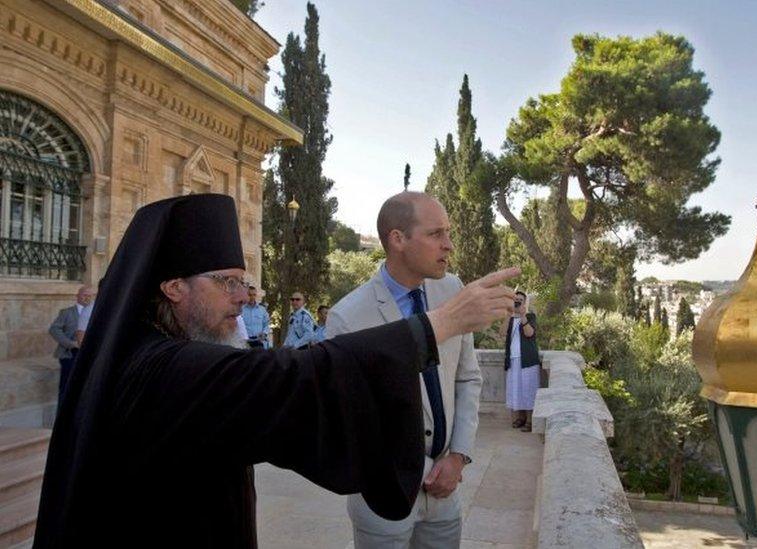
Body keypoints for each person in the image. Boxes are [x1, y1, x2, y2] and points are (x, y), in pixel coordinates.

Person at [33, 193, 518, 548]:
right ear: (175, 287)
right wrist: (444, 322)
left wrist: (456, 453)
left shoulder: (159, 350)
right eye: (229, 282)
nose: (244, 297)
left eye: (244, 283)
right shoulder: (162, 368)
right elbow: (295, 376)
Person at [327, 191, 481, 549]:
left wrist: (457, 457)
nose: (449, 245)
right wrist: (427, 470)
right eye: (436, 234)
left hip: (446, 494)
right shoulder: (347, 318)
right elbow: (350, 422)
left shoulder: (452, 290)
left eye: (448, 232)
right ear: (397, 239)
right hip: (384, 498)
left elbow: (467, 377)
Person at [48, 285, 94, 407]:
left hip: (88, 355)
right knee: (66, 387)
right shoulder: (66, 312)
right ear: (78, 296)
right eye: (85, 295)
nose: (87, 298)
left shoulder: (94, 313)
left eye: (90, 296)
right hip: (70, 354)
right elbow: (54, 329)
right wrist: (70, 343)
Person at [505, 291, 541, 432]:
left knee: (529, 389)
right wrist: (508, 315)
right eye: (515, 300)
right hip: (513, 360)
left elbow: (529, 333)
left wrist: (523, 315)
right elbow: (502, 333)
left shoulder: (530, 317)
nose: (517, 302)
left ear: (524, 303)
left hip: (528, 359)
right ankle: (521, 418)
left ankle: (530, 420)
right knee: (517, 390)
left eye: (520, 300)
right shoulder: (510, 319)